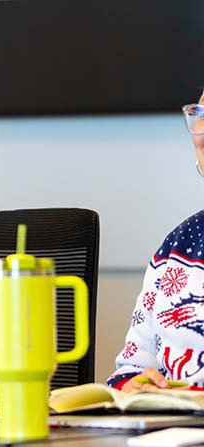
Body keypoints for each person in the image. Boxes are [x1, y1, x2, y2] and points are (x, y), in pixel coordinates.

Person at [108, 88, 204, 391]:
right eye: (198, 115)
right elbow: (130, 370)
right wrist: (136, 387)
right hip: (166, 432)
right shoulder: (177, 246)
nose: (200, 133)